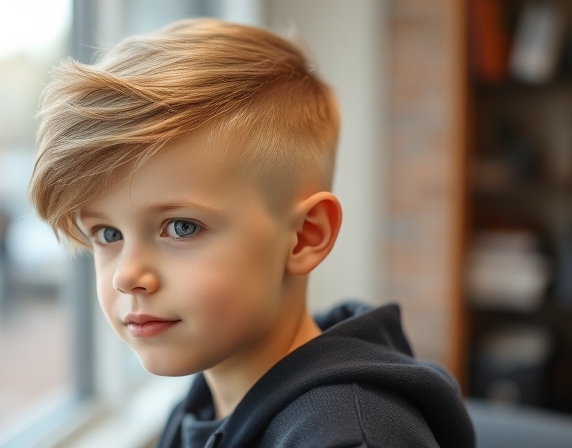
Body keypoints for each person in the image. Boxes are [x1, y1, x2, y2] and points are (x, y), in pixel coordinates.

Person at [28, 18, 475, 448]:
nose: (127, 276)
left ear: (304, 236)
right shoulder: (204, 401)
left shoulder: (348, 435)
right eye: (107, 234)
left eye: (181, 228)